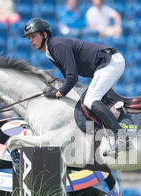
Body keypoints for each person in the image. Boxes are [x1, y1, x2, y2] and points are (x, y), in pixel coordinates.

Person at [22, 18, 130, 156]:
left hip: (109, 62)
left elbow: (72, 77)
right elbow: (69, 78)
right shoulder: (51, 51)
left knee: (91, 100)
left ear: (44, 35)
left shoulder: (57, 46)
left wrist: (58, 93)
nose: (31, 40)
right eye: (29, 38)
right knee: (92, 99)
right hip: (106, 64)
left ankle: (121, 137)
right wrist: (60, 91)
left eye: (33, 36)